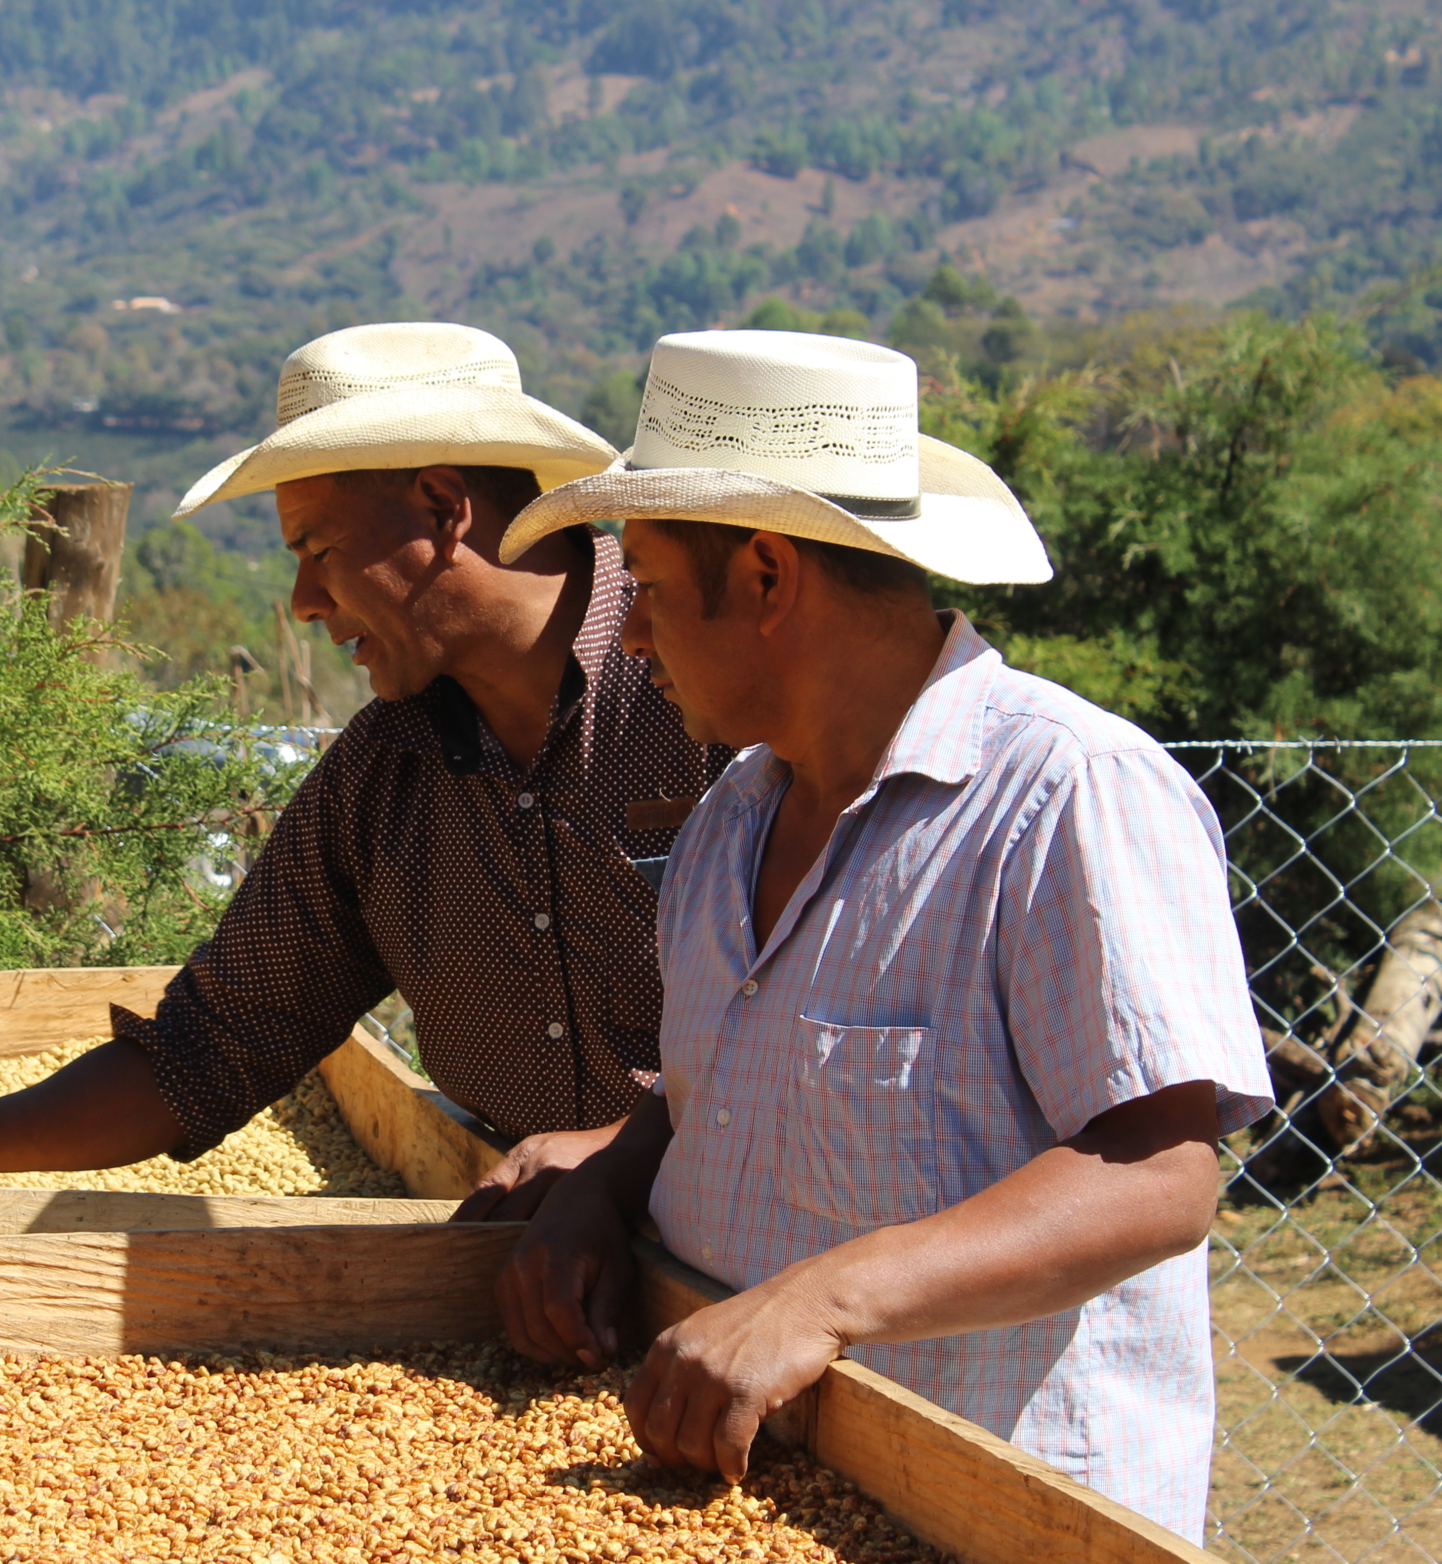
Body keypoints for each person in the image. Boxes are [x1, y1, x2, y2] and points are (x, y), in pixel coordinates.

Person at [487, 328, 1272, 1541]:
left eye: (642, 586)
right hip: (759, 1506)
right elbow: (714, 1096)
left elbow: (1158, 1180)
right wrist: (605, 1183)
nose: (629, 636)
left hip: (990, 1515)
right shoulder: (727, 822)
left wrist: (824, 1300)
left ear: (763, 579)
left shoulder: (1065, 793)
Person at [0, 322, 725, 1208]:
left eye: (319, 550)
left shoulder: (711, 696)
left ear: (440, 508)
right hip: (533, 1259)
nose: (299, 602)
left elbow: (839, 1045)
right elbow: (213, 1046)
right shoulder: (382, 781)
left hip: (755, 1252)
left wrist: (617, 1153)